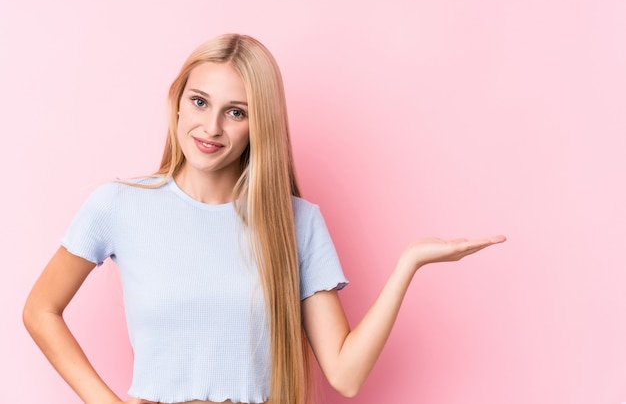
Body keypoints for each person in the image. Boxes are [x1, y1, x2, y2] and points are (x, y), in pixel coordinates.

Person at [23, 34, 506, 404]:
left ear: (261, 125)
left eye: (236, 112)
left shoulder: (296, 221)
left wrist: (409, 263)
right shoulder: (118, 205)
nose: (211, 128)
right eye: (199, 102)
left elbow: (345, 374)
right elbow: (40, 310)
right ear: (176, 100)